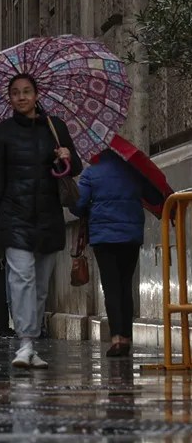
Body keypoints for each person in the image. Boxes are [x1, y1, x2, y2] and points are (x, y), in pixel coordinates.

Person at [0, 73, 81, 369]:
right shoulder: (2, 133)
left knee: (39, 287)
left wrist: (66, 156)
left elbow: (72, 167)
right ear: (9, 98)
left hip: (48, 215)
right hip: (14, 217)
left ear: (37, 95)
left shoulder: (55, 128)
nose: (22, 97)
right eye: (15, 93)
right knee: (21, 278)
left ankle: (32, 342)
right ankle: (25, 343)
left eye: (27, 92)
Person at [71, 149, 145, 357]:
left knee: (111, 287)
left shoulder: (91, 173)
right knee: (125, 285)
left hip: (104, 238)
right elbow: (150, 194)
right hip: (131, 236)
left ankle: (117, 339)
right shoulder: (133, 170)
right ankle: (127, 337)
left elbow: (78, 206)